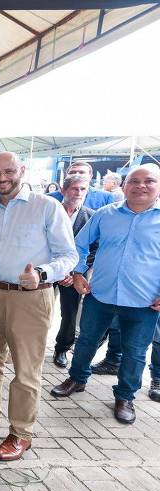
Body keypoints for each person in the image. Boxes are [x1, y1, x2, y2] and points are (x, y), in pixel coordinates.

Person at [0, 151, 77, 461]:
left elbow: (69, 257)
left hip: (30, 299)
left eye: (8, 171)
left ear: (22, 170)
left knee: (26, 369)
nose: (2, 178)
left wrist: (41, 273)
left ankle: (21, 432)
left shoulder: (46, 207)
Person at [50, 164, 160, 424]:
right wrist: (77, 273)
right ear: (124, 186)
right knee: (87, 340)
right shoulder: (105, 214)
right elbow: (80, 243)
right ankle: (77, 379)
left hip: (143, 301)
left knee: (134, 351)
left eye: (149, 181)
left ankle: (125, 396)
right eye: (134, 181)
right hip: (100, 294)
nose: (141, 186)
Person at [51, 176, 99, 368]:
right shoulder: (50, 211)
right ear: (64, 190)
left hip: (74, 275)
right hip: (47, 270)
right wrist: (54, 270)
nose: (78, 193)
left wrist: (75, 272)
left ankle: (62, 348)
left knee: (69, 313)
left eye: (83, 189)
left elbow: (95, 248)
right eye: (74, 189)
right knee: (38, 309)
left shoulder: (92, 216)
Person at [47, 161, 115, 209]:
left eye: (82, 172)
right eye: (72, 172)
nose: (77, 174)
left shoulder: (106, 198)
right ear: (66, 176)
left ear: (90, 176)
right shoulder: (50, 198)